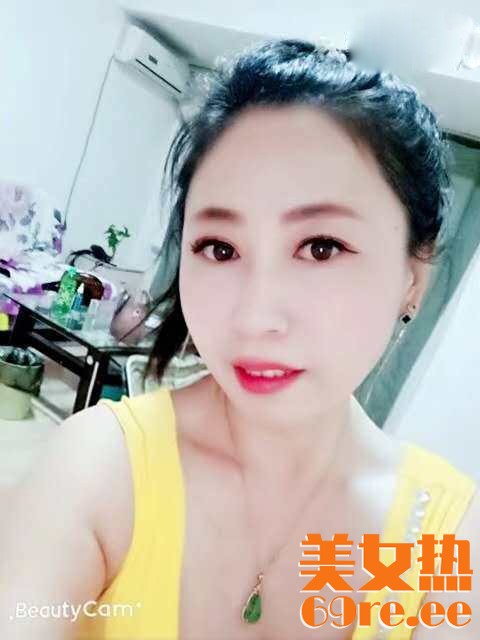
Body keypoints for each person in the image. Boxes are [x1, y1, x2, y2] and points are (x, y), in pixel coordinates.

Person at [0, 39, 478, 640]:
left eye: (321, 247)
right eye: (220, 248)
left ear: (413, 278)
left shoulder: (447, 533)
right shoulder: (99, 465)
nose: (254, 317)